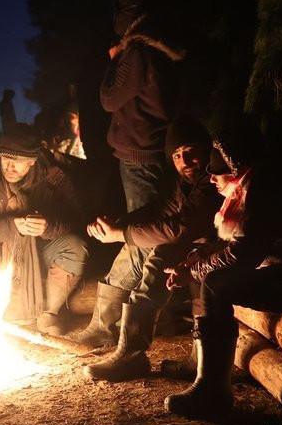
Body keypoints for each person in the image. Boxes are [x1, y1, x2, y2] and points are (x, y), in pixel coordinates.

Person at [162, 121, 282, 419]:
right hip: (278, 269)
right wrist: (197, 257)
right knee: (203, 271)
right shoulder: (246, 189)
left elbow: (243, 252)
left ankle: (213, 391)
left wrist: (197, 270)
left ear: (236, 168)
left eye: (217, 170)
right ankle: (201, 363)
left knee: (214, 282)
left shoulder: (261, 190)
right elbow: (232, 242)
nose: (210, 178)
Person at [79, 117, 223, 380]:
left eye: (191, 152)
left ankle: (136, 355)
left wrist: (121, 234)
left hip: (224, 248)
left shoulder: (212, 181)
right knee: (147, 249)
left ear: (205, 150)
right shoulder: (182, 185)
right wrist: (118, 225)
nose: (185, 161)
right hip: (203, 245)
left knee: (162, 254)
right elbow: (157, 211)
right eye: (178, 155)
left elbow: (181, 229)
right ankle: (121, 342)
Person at [0, 123, 88, 335]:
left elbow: (75, 218)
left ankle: (49, 314)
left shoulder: (53, 178)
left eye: (17, 163)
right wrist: (11, 226)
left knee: (74, 246)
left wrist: (48, 226)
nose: (9, 167)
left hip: (42, 252)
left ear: (32, 162)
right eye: (5, 160)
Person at [101, 0, 186, 303]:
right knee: (146, 230)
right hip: (150, 147)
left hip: (138, 153)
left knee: (142, 235)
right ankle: (126, 311)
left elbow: (109, 99)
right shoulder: (159, 46)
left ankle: (122, 315)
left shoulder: (137, 52)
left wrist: (113, 62)